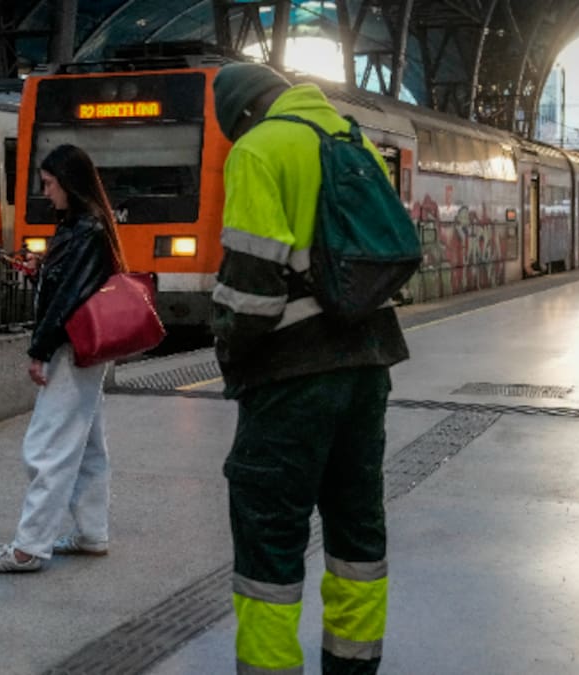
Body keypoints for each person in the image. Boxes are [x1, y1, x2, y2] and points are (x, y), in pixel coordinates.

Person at [210, 62, 410, 674]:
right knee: (357, 532)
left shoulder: (258, 149)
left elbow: (251, 291)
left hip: (291, 377)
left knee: (270, 539)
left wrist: (230, 355)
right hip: (368, 364)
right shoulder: (356, 143)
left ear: (242, 115)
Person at [0, 143, 125, 573]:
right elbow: (70, 286)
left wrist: (40, 351)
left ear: (69, 183)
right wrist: (42, 269)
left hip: (70, 349)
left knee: (47, 447)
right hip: (82, 349)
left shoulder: (84, 230)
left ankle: (27, 548)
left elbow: (67, 299)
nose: (46, 192)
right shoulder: (86, 226)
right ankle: (92, 533)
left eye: (49, 183)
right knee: (89, 447)